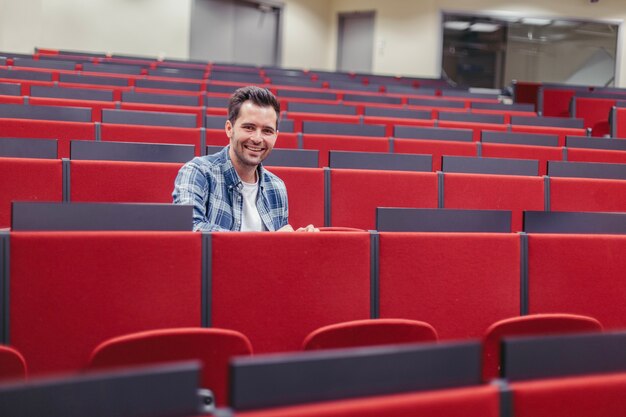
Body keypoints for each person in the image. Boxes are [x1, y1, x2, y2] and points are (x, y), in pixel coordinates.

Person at [173, 86, 317, 232]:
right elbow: (191, 230)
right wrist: (269, 241)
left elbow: (277, 251)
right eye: (249, 127)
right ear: (229, 129)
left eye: (267, 131)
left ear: (276, 136)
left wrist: (296, 241)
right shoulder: (197, 172)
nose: (257, 138)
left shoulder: (276, 187)